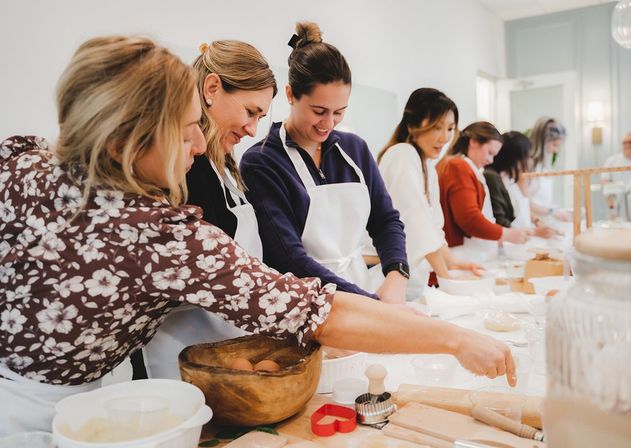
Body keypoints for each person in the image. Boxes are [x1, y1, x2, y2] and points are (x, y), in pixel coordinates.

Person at [0, 35, 515, 435]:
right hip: (54, 415)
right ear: (121, 143)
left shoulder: (19, 157)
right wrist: (452, 338)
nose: (200, 144)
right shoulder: (155, 236)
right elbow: (309, 306)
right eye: (183, 132)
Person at [240, 22, 408, 303]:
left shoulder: (354, 149)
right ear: (291, 94)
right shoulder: (262, 162)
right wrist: (367, 304)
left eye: (339, 112)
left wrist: (396, 275)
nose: (328, 124)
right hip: (307, 301)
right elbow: (287, 257)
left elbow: (386, 220)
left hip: (362, 290)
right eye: (319, 111)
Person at [142, 40, 277, 379]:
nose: (252, 130)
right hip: (180, 356)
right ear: (212, 88)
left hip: (227, 346)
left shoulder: (225, 169)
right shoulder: (185, 170)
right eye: (250, 112)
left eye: (260, 117)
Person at [375, 88, 481, 299]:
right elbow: (415, 222)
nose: (444, 137)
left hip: (409, 278)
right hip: (382, 275)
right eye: (437, 127)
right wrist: (446, 276)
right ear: (412, 124)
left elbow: (431, 226)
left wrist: (452, 263)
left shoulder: (426, 164)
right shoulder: (401, 155)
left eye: (450, 128)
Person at [436, 122, 531, 263]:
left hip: (470, 254)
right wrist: (506, 234)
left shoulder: (464, 167)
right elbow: (469, 219)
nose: (490, 160)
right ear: (473, 141)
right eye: (490, 153)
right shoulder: (458, 166)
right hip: (460, 255)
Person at [485, 131, 562, 239]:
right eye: (528, 156)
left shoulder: (512, 178)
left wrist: (537, 222)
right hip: (511, 243)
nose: (530, 161)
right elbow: (501, 222)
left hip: (523, 239)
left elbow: (523, 208)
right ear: (516, 158)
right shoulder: (495, 180)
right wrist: (535, 232)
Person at [527, 117, 569, 219]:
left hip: (544, 223)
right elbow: (525, 202)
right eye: (554, 145)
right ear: (542, 142)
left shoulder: (543, 166)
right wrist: (553, 212)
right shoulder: (530, 166)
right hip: (532, 225)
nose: (555, 151)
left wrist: (554, 211)